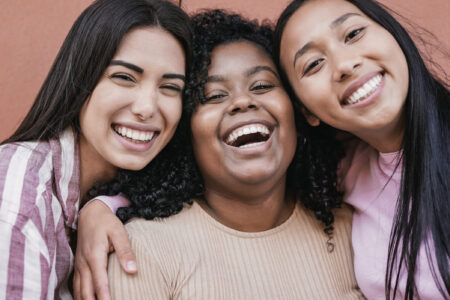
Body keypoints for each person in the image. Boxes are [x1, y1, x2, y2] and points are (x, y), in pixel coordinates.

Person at [104, 9, 364, 299]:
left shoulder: (356, 232)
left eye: (262, 86)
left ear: (299, 115)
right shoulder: (143, 250)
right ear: (185, 135)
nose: (242, 101)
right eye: (214, 95)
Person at [0, 0, 192, 298]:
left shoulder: (158, 182)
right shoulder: (20, 186)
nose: (146, 107)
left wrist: (103, 205)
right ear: (81, 79)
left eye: (170, 87)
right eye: (124, 77)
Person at [273, 0, 449, 299]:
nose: (344, 65)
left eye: (353, 34)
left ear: (393, 35)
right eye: (313, 64)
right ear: (307, 112)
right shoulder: (343, 174)